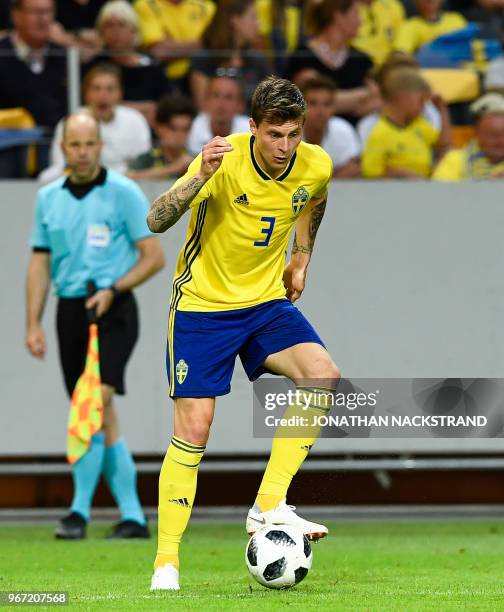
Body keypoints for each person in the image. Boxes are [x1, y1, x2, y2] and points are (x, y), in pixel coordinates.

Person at [147, 76, 341, 591]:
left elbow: (314, 199)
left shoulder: (315, 162)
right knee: (195, 429)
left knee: (322, 375)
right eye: (274, 134)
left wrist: (301, 258)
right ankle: (167, 563)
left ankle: (268, 504)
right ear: (251, 127)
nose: (284, 147)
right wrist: (197, 177)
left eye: (293, 134)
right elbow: (156, 219)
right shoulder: (222, 158)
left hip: (263, 304)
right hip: (202, 307)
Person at [25, 112, 165, 540]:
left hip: (114, 308)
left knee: (92, 405)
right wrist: (32, 322)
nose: (82, 152)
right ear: (63, 148)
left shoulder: (124, 192)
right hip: (70, 311)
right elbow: (40, 262)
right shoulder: (48, 198)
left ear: (101, 147)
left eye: (90, 144)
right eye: (75, 145)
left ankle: (78, 512)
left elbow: (153, 257)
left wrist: (114, 288)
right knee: (102, 416)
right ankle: (134, 517)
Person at [39, 63, 152, 182]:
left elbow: (143, 162)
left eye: (110, 89)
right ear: (86, 93)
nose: (103, 95)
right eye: (96, 88)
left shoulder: (135, 119)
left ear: (120, 93)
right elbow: (62, 165)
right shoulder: (70, 122)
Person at [284, 0, 380, 125]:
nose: (360, 21)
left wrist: (341, 101)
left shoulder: (361, 59)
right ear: (338, 16)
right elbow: (312, 101)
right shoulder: (304, 56)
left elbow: (379, 100)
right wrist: (364, 94)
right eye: (356, 13)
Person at [0, 0, 67, 164]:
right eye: (35, 12)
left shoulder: (64, 55)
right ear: (16, 15)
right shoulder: (3, 53)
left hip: (56, 145)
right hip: (9, 147)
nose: (42, 19)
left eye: (47, 12)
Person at [84, 0, 171, 124]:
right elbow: (90, 104)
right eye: (109, 25)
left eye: (121, 24)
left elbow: (162, 110)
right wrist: (142, 108)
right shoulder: (94, 65)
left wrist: (115, 105)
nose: (115, 31)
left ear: (134, 29)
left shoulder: (153, 68)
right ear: (101, 32)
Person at [362, 68, 451, 178]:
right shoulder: (380, 133)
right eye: (421, 101)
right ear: (403, 98)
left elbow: (444, 145)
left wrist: (443, 110)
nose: (424, 107)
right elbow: (371, 174)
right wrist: (400, 175)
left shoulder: (420, 125)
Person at [190, 0, 270, 111]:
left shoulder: (257, 59)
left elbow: (273, 103)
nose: (258, 24)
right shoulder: (205, 59)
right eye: (253, 17)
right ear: (235, 20)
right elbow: (203, 109)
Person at [134, 0, 216, 87]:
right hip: (165, 81)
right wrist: (203, 43)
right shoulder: (146, 4)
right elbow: (160, 52)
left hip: (206, 78)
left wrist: (171, 46)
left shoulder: (205, 6)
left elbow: (218, 44)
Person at [433, 93, 504, 179]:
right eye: (494, 135)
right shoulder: (455, 159)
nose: (501, 142)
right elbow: (439, 190)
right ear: (477, 134)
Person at [301, 76, 361, 178]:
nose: (320, 111)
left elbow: (354, 168)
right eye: (313, 103)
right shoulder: (284, 135)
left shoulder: (343, 130)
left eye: (327, 104)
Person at [128, 95, 195, 180]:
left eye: (185, 129)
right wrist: (173, 168)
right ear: (159, 128)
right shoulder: (146, 159)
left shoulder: (197, 160)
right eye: (173, 129)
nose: (180, 135)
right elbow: (129, 179)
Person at [187, 74, 250, 157]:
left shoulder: (250, 131)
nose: (221, 104)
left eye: (228, 97)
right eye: (216, 95)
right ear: (206, 100)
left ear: (240, 105)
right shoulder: (193, 127)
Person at [393, 0, 467, 55]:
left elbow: (469, 48)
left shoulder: (457, 20)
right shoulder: (410, 26)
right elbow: (401, 53)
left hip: (461, 72)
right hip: (426, 72)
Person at [351, 0, 405, 66]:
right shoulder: (345, 6)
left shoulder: (393, 6)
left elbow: (400, 45)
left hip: (386, 68)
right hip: (353, 64)